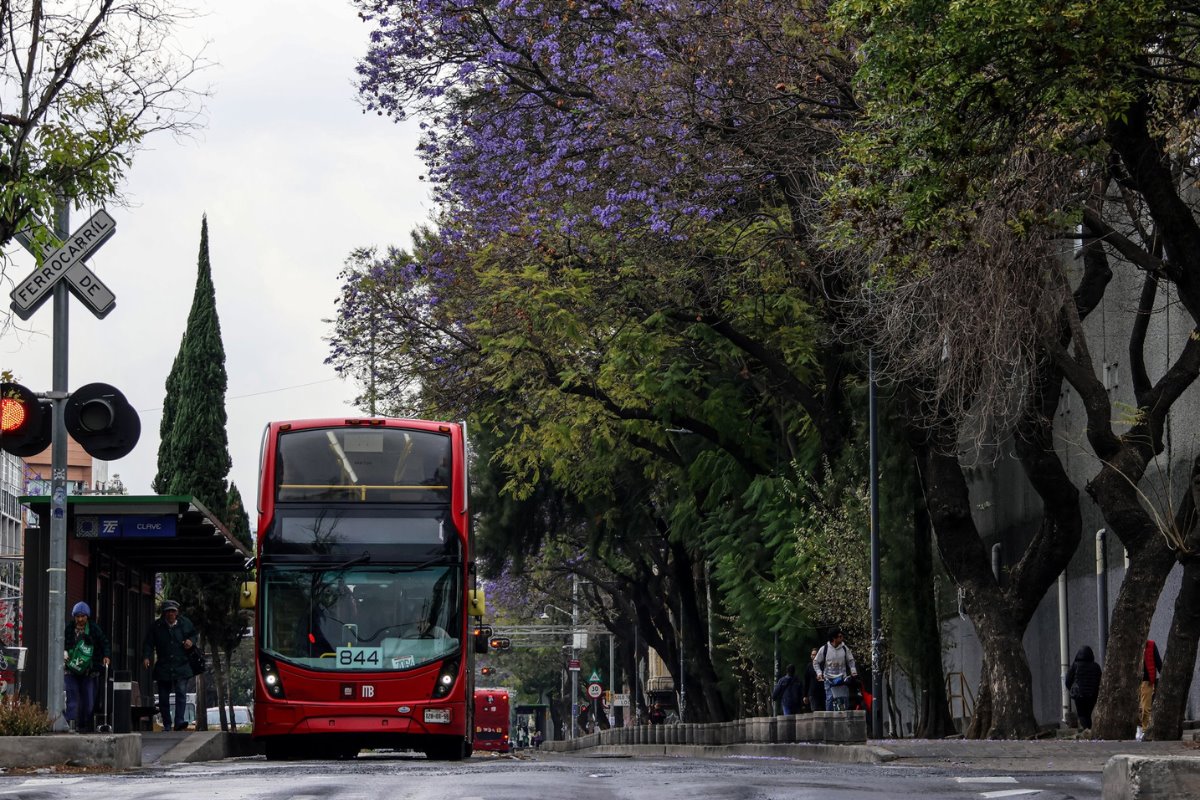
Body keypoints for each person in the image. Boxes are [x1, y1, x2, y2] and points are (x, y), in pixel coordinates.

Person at [142, 599, 199, 731]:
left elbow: (194, 634)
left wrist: (191, 641)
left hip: (182, 665)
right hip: (164, 666)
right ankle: (167, 724)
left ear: (177, 612)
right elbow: (148, 643)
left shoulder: (185, 623)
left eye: (173, 611)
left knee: (181, 692)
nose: (170, 614)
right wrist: (146, 657)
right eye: (168, 612)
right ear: (164, 613)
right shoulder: (156, 627)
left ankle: (179, 721)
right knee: (163, 697)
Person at [63, 601, 110, 733]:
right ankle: (71, 725)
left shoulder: (94, 629)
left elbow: (104, 642)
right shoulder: (69, 628)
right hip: (71, 669)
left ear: (87, 617)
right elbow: (61, 642)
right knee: (72, 699)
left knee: (88, 702)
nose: (80, 619)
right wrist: (64, 653)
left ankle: (83, 725)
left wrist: (106, 656)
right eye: (77, 616)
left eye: (83, 616)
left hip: (89, 671)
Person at [814, 627, 858, 712]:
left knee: (844, 699)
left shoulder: (844, 648)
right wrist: (819, 673)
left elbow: (851, 660)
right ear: (834, 638)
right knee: (830, 699)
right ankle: (829, 720)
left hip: (842, 679)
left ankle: (843, 720)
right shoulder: (825, 649)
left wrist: (853, 671)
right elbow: (816, 662)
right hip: (829, 679)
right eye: (840, 636)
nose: (842, 638)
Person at [1065, 645, 1102, 732]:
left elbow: (1068, 680)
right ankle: (1088, 728)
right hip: (1092, 695)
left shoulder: (1075, 666)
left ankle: (1086, 729)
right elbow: (1100, 680)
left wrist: (1071, 689)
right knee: (1088, 713)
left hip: (1079, 695)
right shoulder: (1096, 666)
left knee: (1082, 713)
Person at [1138, 640, 1162, 739]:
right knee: (1142, 707)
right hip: (1137, 681)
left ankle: (1144, 729)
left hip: (1147, 680)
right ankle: (1141, 729)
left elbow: (1158, 661)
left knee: (1145, 707)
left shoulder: (1151, 645)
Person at [804, 648, 825, 712]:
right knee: (815, 711)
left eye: (816, 654)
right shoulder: (809, 666)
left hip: (822, 692)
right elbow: (806, 681)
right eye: (813, 655)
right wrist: (805, 695)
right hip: (812, 693)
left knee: (824, 711)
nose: (814, 656)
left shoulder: (823, 665)